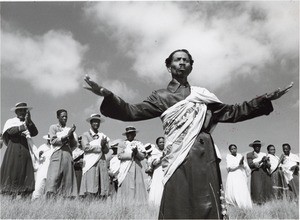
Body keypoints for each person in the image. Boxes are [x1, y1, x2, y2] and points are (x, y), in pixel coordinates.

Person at [84, 49, 292, 219]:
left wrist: (265, 100)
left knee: (207, 202)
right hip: (177, 157)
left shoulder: (203, 96)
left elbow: (234, 111)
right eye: (177, 60)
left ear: (191, 66)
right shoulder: (161, 97)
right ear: (169, 66)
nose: (182, 63)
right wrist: (108, 95)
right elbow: (131, 111)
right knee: (178, 202)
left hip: (205, 156)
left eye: (186, 60)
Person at [1, 102, 38, 198]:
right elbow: (10, 131)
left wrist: (29, 121)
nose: (22, 112)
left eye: (24, 110)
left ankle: (25, 200)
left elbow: (34, 132)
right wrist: (22, 126)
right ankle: (9, 200)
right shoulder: (11, 121)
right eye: (20, 110)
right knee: (12, 173)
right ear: (16, 112)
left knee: (26, 173)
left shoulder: (28, 122)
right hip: (13, 149)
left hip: (25, 150)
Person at [45, 109, 78, 198]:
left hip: (67, 154)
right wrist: (66, 136)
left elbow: (74, 145)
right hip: (57, 154)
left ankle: (66, 200)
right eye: (62, 116)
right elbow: (53, 141)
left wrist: (71, 136)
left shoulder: (69, 129)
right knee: (54, 178)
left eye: (66, 116)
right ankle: (50, 199)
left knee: (67, 179)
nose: (64, 118)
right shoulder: (53, 127)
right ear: (58, 117)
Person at [79, 114, 110, 199]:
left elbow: (107, 151)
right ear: (91, 122)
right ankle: (90, 203)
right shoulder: (85, 135)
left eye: (98, 121)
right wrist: (99, 146)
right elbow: (86, 147)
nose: (96, 123)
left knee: (102, 183)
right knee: (91, 184)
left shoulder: (103, 135)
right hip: (91, 163)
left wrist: (104, 146)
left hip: (101, 162)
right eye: (94, 121)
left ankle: (101, 205)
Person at [115, 126, 148, 202]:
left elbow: (143, 156)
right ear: (126, 135)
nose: (130, 135)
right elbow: (119, 155)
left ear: (135, 134)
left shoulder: (139, 144)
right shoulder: (122, 144)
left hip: (136, 167)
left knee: (138, 185)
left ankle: (138, 205)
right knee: (126, 186)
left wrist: (136, 153)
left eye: (132, 133)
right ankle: (126, 204)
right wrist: (131, 155)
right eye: (128, 133)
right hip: (126, 168)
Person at [225, 144, 252, 209]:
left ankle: (244, 206)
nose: (234, 150)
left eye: (235, 148)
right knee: (234, 190)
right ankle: (235, 206)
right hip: (233, 176)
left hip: (240, 175)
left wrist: (241, 164)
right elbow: (230, 167)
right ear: (230, 150)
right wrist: (238, 165)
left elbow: (245, 166)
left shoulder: (240, 156)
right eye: (232, 149)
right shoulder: (228, 157)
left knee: (242, 190)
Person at [247, 140, 272, 204]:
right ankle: (257, 203)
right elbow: (250, 165)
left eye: (259, 145)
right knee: (257, 187)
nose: (257, 147)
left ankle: (266, 202)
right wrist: (261, 160)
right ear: (253, 147)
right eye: (256, 146)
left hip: (264, 172)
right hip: (256, 172)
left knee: (266, 186)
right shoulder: (250, 154)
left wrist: (267, 162)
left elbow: (268, 165)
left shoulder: (264, 154)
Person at [32, 134, 53, 200]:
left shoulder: (54, 148)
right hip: (42, 170)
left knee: (49, 189)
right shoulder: (42, 147)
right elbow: (35, 157)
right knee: (39, 186)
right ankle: (34, 200)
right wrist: (39, 154)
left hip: (51, 170)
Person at [148, 137, 165, 206]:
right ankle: (157, 203)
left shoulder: (168, 151)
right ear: (157, 144)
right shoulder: (154, 153)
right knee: (158, 186)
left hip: (166, 170)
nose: (162, 144)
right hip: (158, 171)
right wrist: (161, 158)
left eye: (163, 142)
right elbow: (153, 163)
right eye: (160, 142)